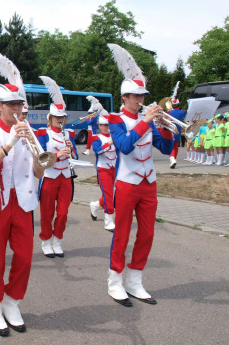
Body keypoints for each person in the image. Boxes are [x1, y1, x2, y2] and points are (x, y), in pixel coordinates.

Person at [0, 53, 44, 336]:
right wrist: (9, 143)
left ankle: (12, 302)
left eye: (20, 104)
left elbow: (38, 173)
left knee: (25, 257)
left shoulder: (31, 132)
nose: (17, 108)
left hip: (24, 203)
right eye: (12, 104)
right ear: (0, 106)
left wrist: (39, 158)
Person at [107, 42, 174, 308]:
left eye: (142, 96)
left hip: (149, 183)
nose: (140, 100)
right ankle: (115, 282)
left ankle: (135, 280)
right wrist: (146, 122)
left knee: (147, 233)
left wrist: (166, 127)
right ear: (124, 97)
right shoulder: (114, 119)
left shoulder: (148, 118)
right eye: (135, 96)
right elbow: (123, 147)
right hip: (126, 183)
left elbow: (166, 147)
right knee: (121, 233)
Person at [37, 76, 78, 258]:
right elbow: (39, 157)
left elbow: (75, 155)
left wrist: (70, 150)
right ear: (51, 118)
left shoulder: (69, 133)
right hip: (49, 176)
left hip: (66, 177)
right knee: (47, 213)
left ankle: (57, 240)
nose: (60, 120)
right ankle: (46, 240)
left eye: (62, 117)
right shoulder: (43, 133)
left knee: (62, 213)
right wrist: (58, 155)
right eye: (57, 117)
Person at [89, 113, 116, 231]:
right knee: (109, 194)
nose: (107, 127)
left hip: (116, 168)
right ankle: (108, 221)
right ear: (100, 125)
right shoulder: (96, 137)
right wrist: (109, 143)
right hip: (103, 169)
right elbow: (97, 150)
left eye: (108, 124)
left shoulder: (116, 136)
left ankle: (96, 205)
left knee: (114, 194)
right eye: (104, 125)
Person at [167, 94, 186, 168]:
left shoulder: (169, 112)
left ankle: (172, 160)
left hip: (170, 131)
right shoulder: (182, 112)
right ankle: (174, 159)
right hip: (178, 131)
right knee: (175, 147)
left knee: (171, 146)